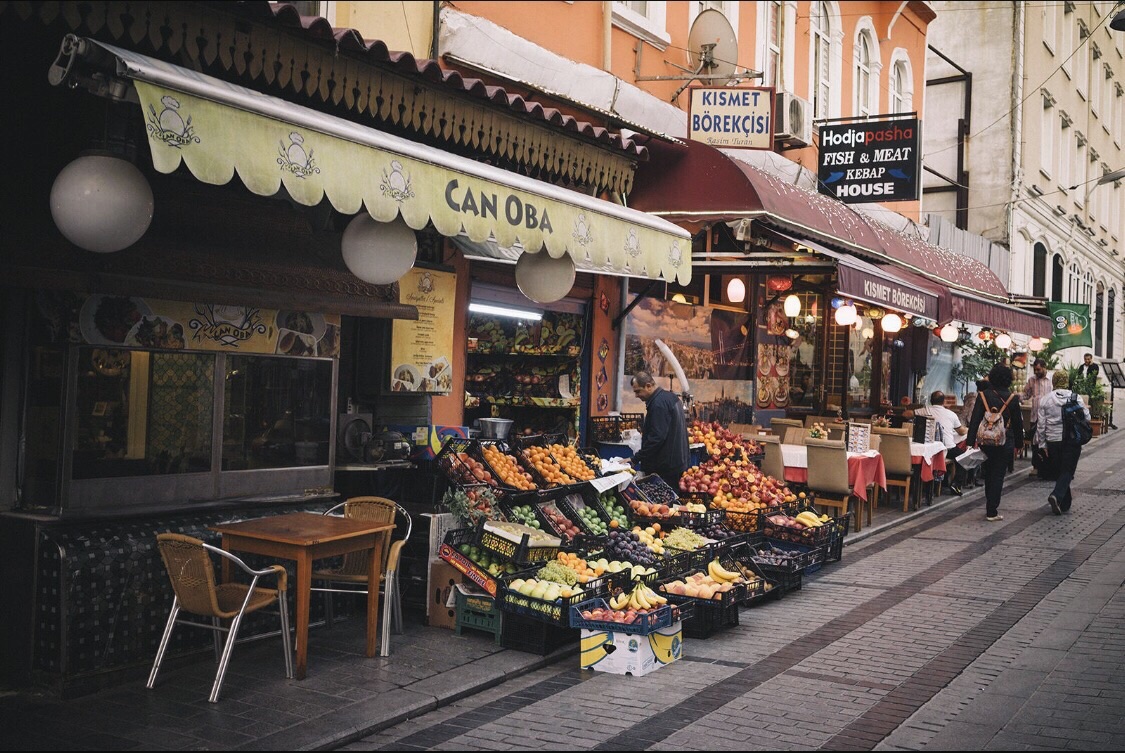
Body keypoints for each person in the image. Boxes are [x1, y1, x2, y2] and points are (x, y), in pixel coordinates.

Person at [966, 364, 1024, 521]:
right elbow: (1018, 423)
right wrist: (1019, 443)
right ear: (1008, 379)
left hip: (986, 440)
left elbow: (975, 420)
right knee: (998, 474)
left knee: (988, 472)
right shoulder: (1012, 398)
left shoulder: (983, 395)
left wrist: (970, 441)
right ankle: (992, 510)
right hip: (1006, 441)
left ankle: (989, 505)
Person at [1036, 369, 1090, 515]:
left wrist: (1042, 445)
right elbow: (1087, 417)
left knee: (1061, 471)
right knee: (1068, 471)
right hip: (1071, 440)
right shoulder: (1075, 397)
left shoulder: (1045, 399)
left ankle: (1064, 504)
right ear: (1066, 381)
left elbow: (1041, 425)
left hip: (1052, 440)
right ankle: (1056, 495)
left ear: (1054, 381)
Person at [630, 370, 690, 489]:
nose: (636, 396)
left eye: (638, 391)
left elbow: (657, 438)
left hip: (665, 468)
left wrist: (635, 459)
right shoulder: (671, 397)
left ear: (648, 386)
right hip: (676, 463)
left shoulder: (658, 405)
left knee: (661, 504)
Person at [918, 390, 968, 494]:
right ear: (944, 401)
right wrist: (968, 429)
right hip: (947, 448)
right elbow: (961, 431)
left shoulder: (924, 410)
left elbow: (907, 413)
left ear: (931, 401)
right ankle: (955, 484)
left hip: (929, 450)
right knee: (965, 459)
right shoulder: (951, 414)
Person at [1022, 358, 1052, 474]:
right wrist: (1018, 397)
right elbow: (1026, 394)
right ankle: (1036, 466)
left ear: (1044, 368)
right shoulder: (1032, 380)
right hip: (1035, 416)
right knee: (1035, 442)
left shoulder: (1050, 381)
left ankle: (1047, 465)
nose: (1037, 372)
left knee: (1047, 441)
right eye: (1035, 370)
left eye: (1038, 369)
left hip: (1048, 417)